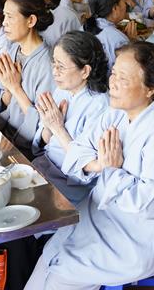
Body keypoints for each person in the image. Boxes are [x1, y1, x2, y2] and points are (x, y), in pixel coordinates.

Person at [26, 42, 154, 289]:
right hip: (100, 213)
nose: (112, 83)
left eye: (123, 78)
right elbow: (78, 150)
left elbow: (142, 200)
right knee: (49, 256)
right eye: (113, 73)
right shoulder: (117, 111)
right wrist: (99, 165)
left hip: (137, 235)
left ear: (151, 88)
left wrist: (112, 169)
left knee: (63, 274)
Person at [31, 31, 109, 205]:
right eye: (54, 64)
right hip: (45, 166)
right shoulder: (62, 90)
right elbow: (42, 144)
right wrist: (47, 126)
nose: (55, 72)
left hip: (69, 184)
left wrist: (58, 128)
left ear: (85, 71)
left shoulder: (100, 106)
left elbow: (88, 170)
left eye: (61, 67)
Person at [0, 0, 55, 153]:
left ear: (31, 21)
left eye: (10, 17)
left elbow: (43, 124)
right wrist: (7, 87)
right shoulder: (14, 49)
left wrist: (15, 87)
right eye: (4, 16)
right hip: (4, 131)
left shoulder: (48, 64)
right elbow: (5, 102)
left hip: (23, 146)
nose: (4, 22)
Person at [83, 0, 137, 70]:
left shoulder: (83, 28)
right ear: (115, 8)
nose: (125, 6)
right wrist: (131, 45)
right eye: (123, 2)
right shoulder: (119, 39)